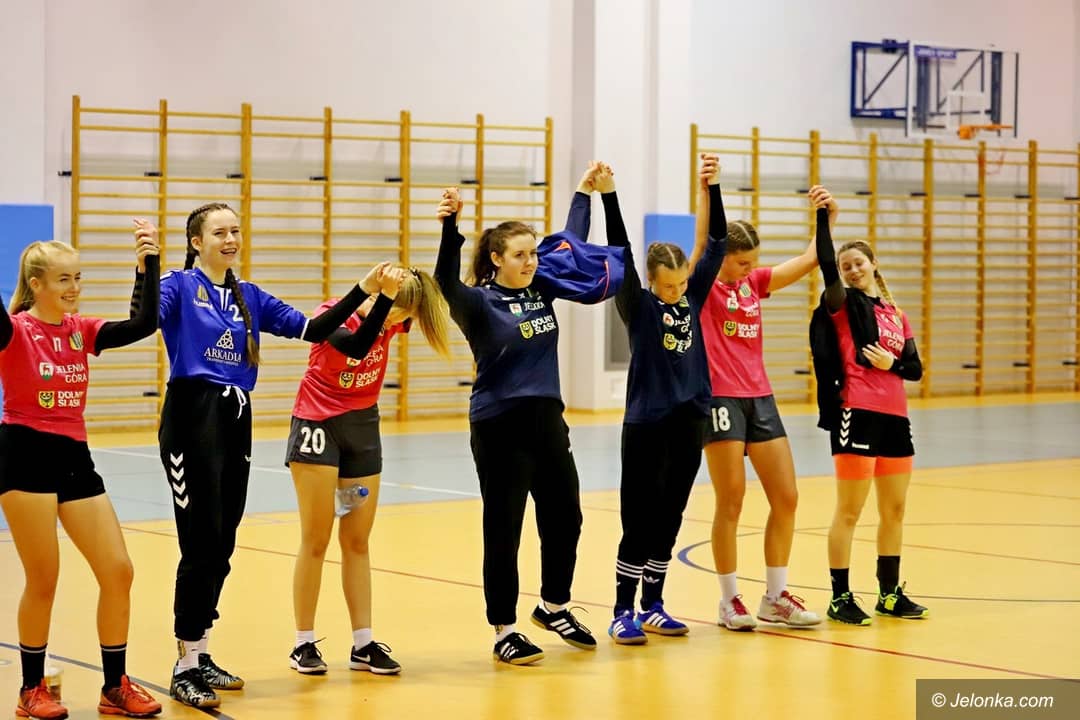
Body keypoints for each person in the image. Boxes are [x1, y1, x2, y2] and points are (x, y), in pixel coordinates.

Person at [156, 203, 370, 708]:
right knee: (200, 542)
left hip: (235, 417)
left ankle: (201, 651)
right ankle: (184, 665)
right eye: (219, 232)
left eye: (235, 230)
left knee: (223, 540)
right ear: (196, 242)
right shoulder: (178, 286)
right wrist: (146, 267)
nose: (230, 239)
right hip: (191, 416)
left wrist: (362, 291)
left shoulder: (249, 296)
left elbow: (315, 329)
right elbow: (143, 319)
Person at [432, 170, 607, 666]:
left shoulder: (541, 290)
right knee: (504, 526)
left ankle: (554, 606)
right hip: (499, 425)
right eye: (520, 255)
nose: (531, 262)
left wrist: (583, 193)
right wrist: (450, 227)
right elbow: (444, 281)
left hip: (547, 419)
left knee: (565, 516)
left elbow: (571, 244)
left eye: (533, 254)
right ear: (496, 259)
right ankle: (504, 629)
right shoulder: (478, 303)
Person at [0, 225, 163, 719]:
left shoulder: (80, 329)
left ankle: (115, 687)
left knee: (118, 569)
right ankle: (32, 688)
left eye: (78, 278)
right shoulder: (16, 331)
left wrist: (148, 263)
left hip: (74, 456)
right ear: (36, 285)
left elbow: (144, 322)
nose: (74, 288)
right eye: (63, 279)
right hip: (24, 454)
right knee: (44, 578)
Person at [287, 261, 451, 676]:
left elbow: (438, 287)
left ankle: (363, 643)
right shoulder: (334, 313)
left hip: (362, 431)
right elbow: (358, 345)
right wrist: (385, 299)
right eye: (394, 312)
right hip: (318, 426)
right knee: (316, 538)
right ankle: (303, 642)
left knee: (357, 539)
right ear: (378, 296)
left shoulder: (394, 318)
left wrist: (448, 235)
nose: (396, 322)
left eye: (402, 316)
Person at [692, 179, 837, 630]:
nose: (750, 269)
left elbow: (811, 258)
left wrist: (827, 218)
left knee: (787, 497)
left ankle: (775, 597)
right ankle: (729, 600)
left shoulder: (754, 283)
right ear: (722, 257)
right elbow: (702, 243)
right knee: (731, 501)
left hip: (761, 398)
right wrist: (706, 191)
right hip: (720, 399)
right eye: (742, 262)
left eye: (753, 262)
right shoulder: (704, 285)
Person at [597, 155, 728, 644]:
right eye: (667, 285)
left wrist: (714, 188)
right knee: (639, 520)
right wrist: (609, 195)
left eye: (681, 283)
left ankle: (653, 604)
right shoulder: (638, 305)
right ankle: (622, 609)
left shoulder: (692, 297)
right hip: (647, 425)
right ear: (652, 281)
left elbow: (717, 243)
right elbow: (619, 251)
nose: (676, 292)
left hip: (689, 422)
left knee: (670, 516)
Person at [808, 209, 928, 625]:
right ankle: (839, 597)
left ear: (873, 264)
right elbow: (825, 263)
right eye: (846, 266)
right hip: (856, 412)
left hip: (896, 418)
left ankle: (889, 594)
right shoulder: (842, 305)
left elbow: (915, 369)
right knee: (849, 511)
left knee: (894, 510)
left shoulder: (896, 314)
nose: (852, 270)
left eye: (858, 263)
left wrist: (889, 364)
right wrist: (823, 217)